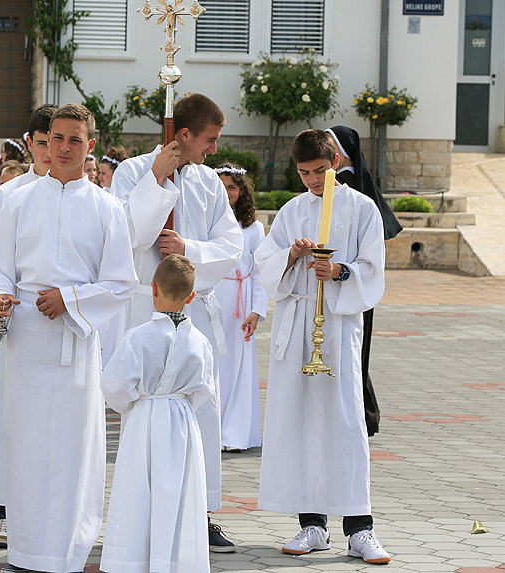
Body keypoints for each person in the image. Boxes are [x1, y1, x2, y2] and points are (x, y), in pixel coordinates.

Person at [0, 104, 137, 572]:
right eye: (57, 138)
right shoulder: (15, 201)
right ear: (43, 142)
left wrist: (70, 298)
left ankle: (67, 551)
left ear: (90, 145)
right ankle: (27, 548)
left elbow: (121, 283)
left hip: (74, 340)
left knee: (72, 447)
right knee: (26, 443)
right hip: (26, 338)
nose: (65, 148)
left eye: (76, 140)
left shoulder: (109, 209)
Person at [110, 93, 244, 553]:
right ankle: (140, 509)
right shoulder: (132, 173)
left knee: (200, 411)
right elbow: (126, 233)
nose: (213, 149)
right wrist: (157, 181)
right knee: (143, 406)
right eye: (208, 139)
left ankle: (200, 513)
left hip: (196, 312)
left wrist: (189, 248)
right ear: (183, 134)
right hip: (147, 306)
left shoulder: (208, 182)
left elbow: (232, 245)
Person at [255, 129, 389, 564]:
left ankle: (360, 528)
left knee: (345, 421)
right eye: (303, 173)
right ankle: (311, 524)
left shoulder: (361, 207)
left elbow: (373, 267)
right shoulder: (293, 209)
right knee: (300, 422)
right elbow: (265, 265)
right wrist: (292, 256)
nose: (312, 180)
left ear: (335, 162)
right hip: (297, 330)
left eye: (318, 170)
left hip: (337, 327)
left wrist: (341, 272)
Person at [0, 104, 57, 550]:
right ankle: (3, 512)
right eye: (41, 144)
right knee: (10, 419)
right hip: (18, 324)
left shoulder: (86, 196)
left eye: (56, 143)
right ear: (30, 144)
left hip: (64, 326)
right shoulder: (7, 196)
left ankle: (56, 509)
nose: (48, 152)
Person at [100, 254, 214, 573]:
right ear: (191, 297)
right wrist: (179, 403)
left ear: (153, 289)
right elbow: (204, 390)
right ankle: (175, 561)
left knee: (138, 490)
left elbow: (116, 386)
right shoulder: (200, 341)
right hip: (182, 421)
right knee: (178, 491)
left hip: (144, 417)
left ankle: (133, 561)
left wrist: (136, 402)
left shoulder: (138, 337)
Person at [326, 125, 402, 437]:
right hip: (350, 278)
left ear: (342, 151)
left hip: (349, 277)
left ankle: (361, 411)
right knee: (356, 347)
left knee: (352, 348)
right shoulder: (349, 180)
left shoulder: (346, 186)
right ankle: (364, 410)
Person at [213, 164, 267, 453]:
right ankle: (212, 426)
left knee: (237, 364)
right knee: (215, 360)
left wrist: (257, 310)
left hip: (241, 298)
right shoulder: (208, 223)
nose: (226, 193)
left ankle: (234, 431)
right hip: (214, 295)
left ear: (242, 191)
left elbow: (260, 272)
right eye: (220, 187)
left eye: (232, 187)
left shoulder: (253, 229)